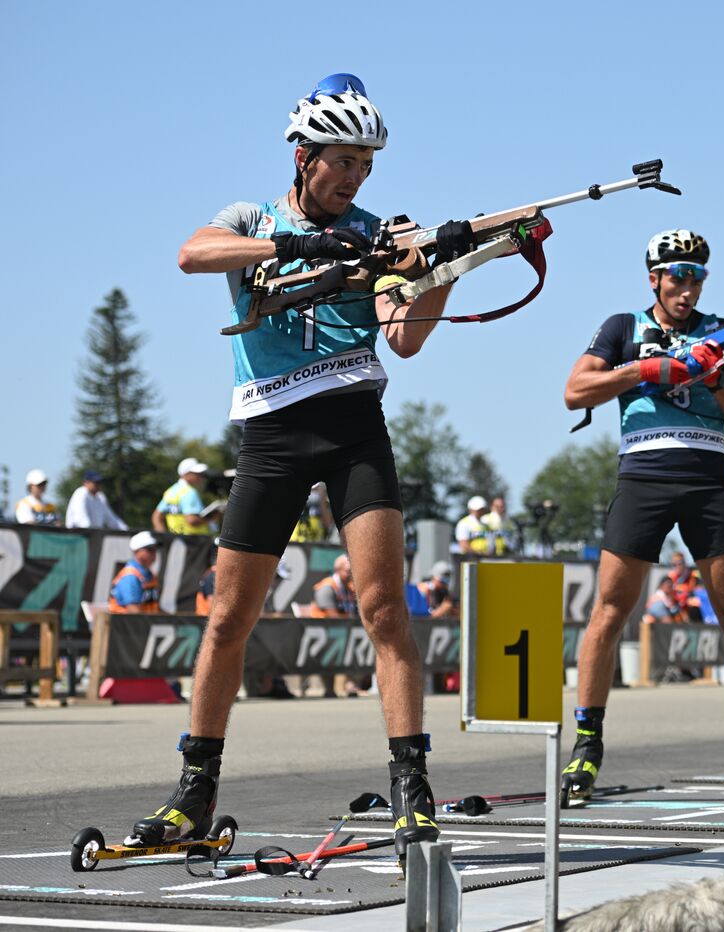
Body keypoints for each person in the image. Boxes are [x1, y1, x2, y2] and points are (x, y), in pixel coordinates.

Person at [127, 74, 470, 856]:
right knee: (227, 618)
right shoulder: (252, 218)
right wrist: (299, 244)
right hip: (272, 433)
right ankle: (195, 790)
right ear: (304, 154)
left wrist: (436, 273)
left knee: (384, 608)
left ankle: (411, 785)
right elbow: (192, 255)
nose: (354, 177)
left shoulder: (381, 230)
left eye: (365, 163)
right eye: (341, 160)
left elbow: (405, 338)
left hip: (354, 425)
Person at [561, 229, 724, 803]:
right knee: (610, 610)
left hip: (709, 477)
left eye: (696, 277)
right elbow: (575, 391)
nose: (686, 289)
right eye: (676, 277)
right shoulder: (623, 328)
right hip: (643, 475)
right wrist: (645, 371)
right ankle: (585, 750)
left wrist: (710, 374)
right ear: (654, 279)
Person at [152, 458, 217, 536]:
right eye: (197, 474)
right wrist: (213, 517)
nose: (201, 477)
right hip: (195, 542)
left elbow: (156, 516)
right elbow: (192, 520)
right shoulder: (190, 492)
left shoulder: (171, 491)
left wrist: (164, 538)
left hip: (178, 541)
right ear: (185, 474)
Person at [109, 532, 161, 613]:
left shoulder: (149, 575)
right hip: (124, 624)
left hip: (145, 623)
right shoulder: (130, 577)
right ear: (137, 551)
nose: (153, 553)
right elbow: (133, 611)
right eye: (149, 549)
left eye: (155, 549)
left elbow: (154, 608)